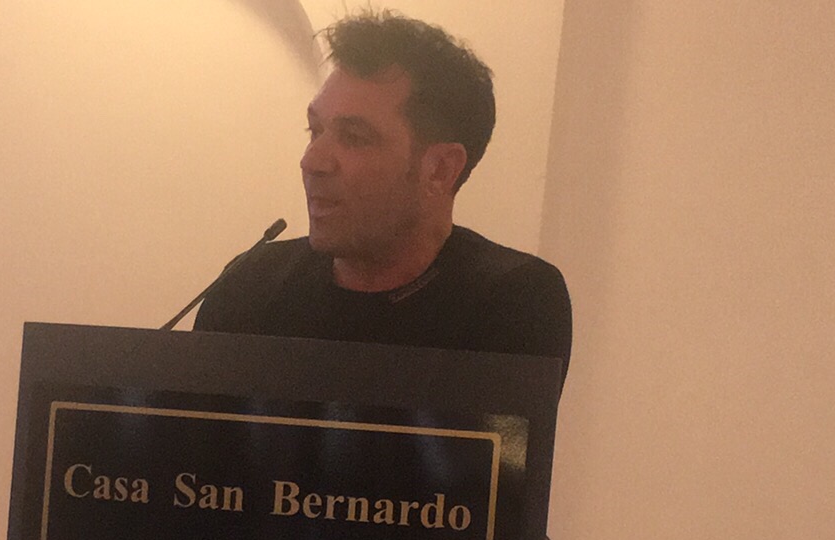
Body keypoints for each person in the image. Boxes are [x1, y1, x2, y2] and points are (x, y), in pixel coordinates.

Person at [196, 11, 572, 377]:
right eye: (315, 131)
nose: (312, 161)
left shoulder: (511, 298)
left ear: (440, 170)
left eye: (354, 138)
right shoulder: (250, 285)